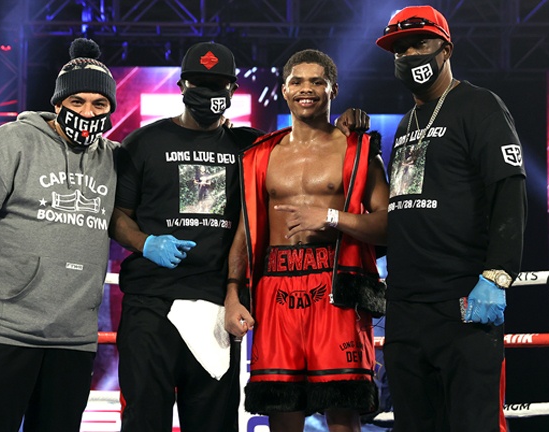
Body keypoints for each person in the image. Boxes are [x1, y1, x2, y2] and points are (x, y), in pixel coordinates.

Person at [109, 41, 369, 432]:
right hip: (152, 299)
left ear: (232, 89)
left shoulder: (254, 146)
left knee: (214, 423)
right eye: (198, 82)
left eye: (217, 84)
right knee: (145, 419)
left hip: (218, 302)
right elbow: (117, 216)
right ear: (181, 85)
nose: (207, 92)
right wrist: (146, 243)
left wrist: (345, 124)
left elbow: (309, 140)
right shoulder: (144, 143)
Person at [0, 38, 119, 431]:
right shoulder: (9, 143)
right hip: (3, 329)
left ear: (110, 110)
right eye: (77, 102)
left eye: (99, 105)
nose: (88, 112)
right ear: (58, 104)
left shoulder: (116, 160)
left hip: (71, 338)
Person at [375, 5, 527, 432]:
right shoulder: (407, 122)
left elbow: (508, 191)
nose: (410, 55)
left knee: (472, 424)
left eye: (420, 43)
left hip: (462, 303)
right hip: (405, 308)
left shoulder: (479, 105)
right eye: (400, 49)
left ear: (446, 48)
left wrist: (497, 275)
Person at [224, 49, 389, 432]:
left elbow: (388, 224)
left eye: (317, 81)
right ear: (283, 90)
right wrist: (233, 292)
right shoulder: (259, 155)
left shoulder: (359, 150)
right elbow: (246, 231)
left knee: (342, 409)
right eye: (298, 81)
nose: (307, 89)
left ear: (334, 89)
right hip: (274, 289)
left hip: (335, 284)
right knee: (283, 409)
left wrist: (333, 218)